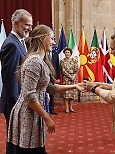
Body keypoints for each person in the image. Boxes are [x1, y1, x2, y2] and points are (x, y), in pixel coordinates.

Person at [7, 24, 84, 154]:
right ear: (43, 39)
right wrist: (47, 118)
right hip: (28, 113)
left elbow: (49, 88)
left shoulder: (41, 61)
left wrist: (74, 86)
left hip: (35, 112)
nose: (54, 42)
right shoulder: (34, 62)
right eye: (52, 39)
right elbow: (29, 96)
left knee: (37, 149)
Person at [0, 9, 33, 153]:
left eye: (30, 25)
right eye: (26, 25)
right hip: (15, 103)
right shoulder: (11, 44)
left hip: (19, 100)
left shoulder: (19, 42)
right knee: (14, 141)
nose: (29, 28)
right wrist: (18, 105)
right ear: (15, 23)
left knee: (19, 139)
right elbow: (10, 79)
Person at [60, 47, 78, 113]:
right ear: (64, 53)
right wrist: (69, 76)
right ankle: (67, 108)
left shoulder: (74, 60)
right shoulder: (62, 61)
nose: (67, 53)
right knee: (66, 95)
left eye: (68, 52)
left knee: (72, 94)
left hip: (73, 79)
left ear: (71, 53)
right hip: (66, 79)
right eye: (66, 52)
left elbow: (76, 69)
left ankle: (71, 108)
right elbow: (63, 70)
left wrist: (73, 76)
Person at [48, 46, 60, 115]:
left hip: (53, 77)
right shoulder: (44, 53)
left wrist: (57, 77)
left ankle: (51, 109)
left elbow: (57, 66)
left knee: (52, 93)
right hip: (45, 76)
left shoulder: (55, 53)